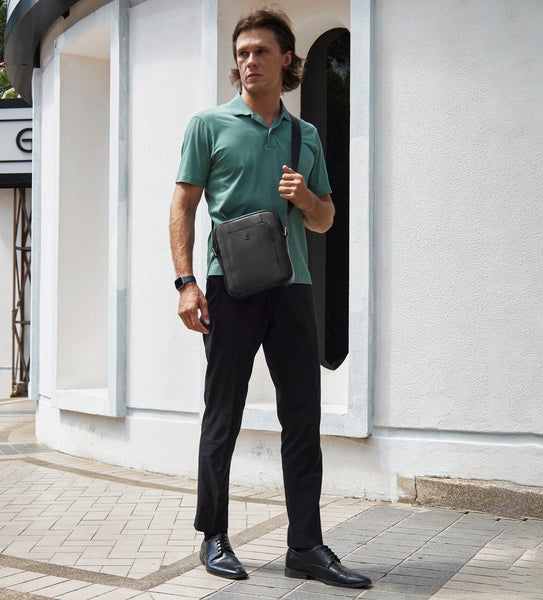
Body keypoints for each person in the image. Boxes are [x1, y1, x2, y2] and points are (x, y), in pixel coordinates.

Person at [169, 7, 371, 590]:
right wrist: (185, 283)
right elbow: (183, 205)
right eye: (242, 53)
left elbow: (326, 219)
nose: (249, 61)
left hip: (293, 289)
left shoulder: (305, 136)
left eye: (261, 51)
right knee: (223, 414)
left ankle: (305, 545)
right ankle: (214, 535)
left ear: (287, 60)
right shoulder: (208, 125)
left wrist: (306, 198)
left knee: (302, 418)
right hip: (227, 289)